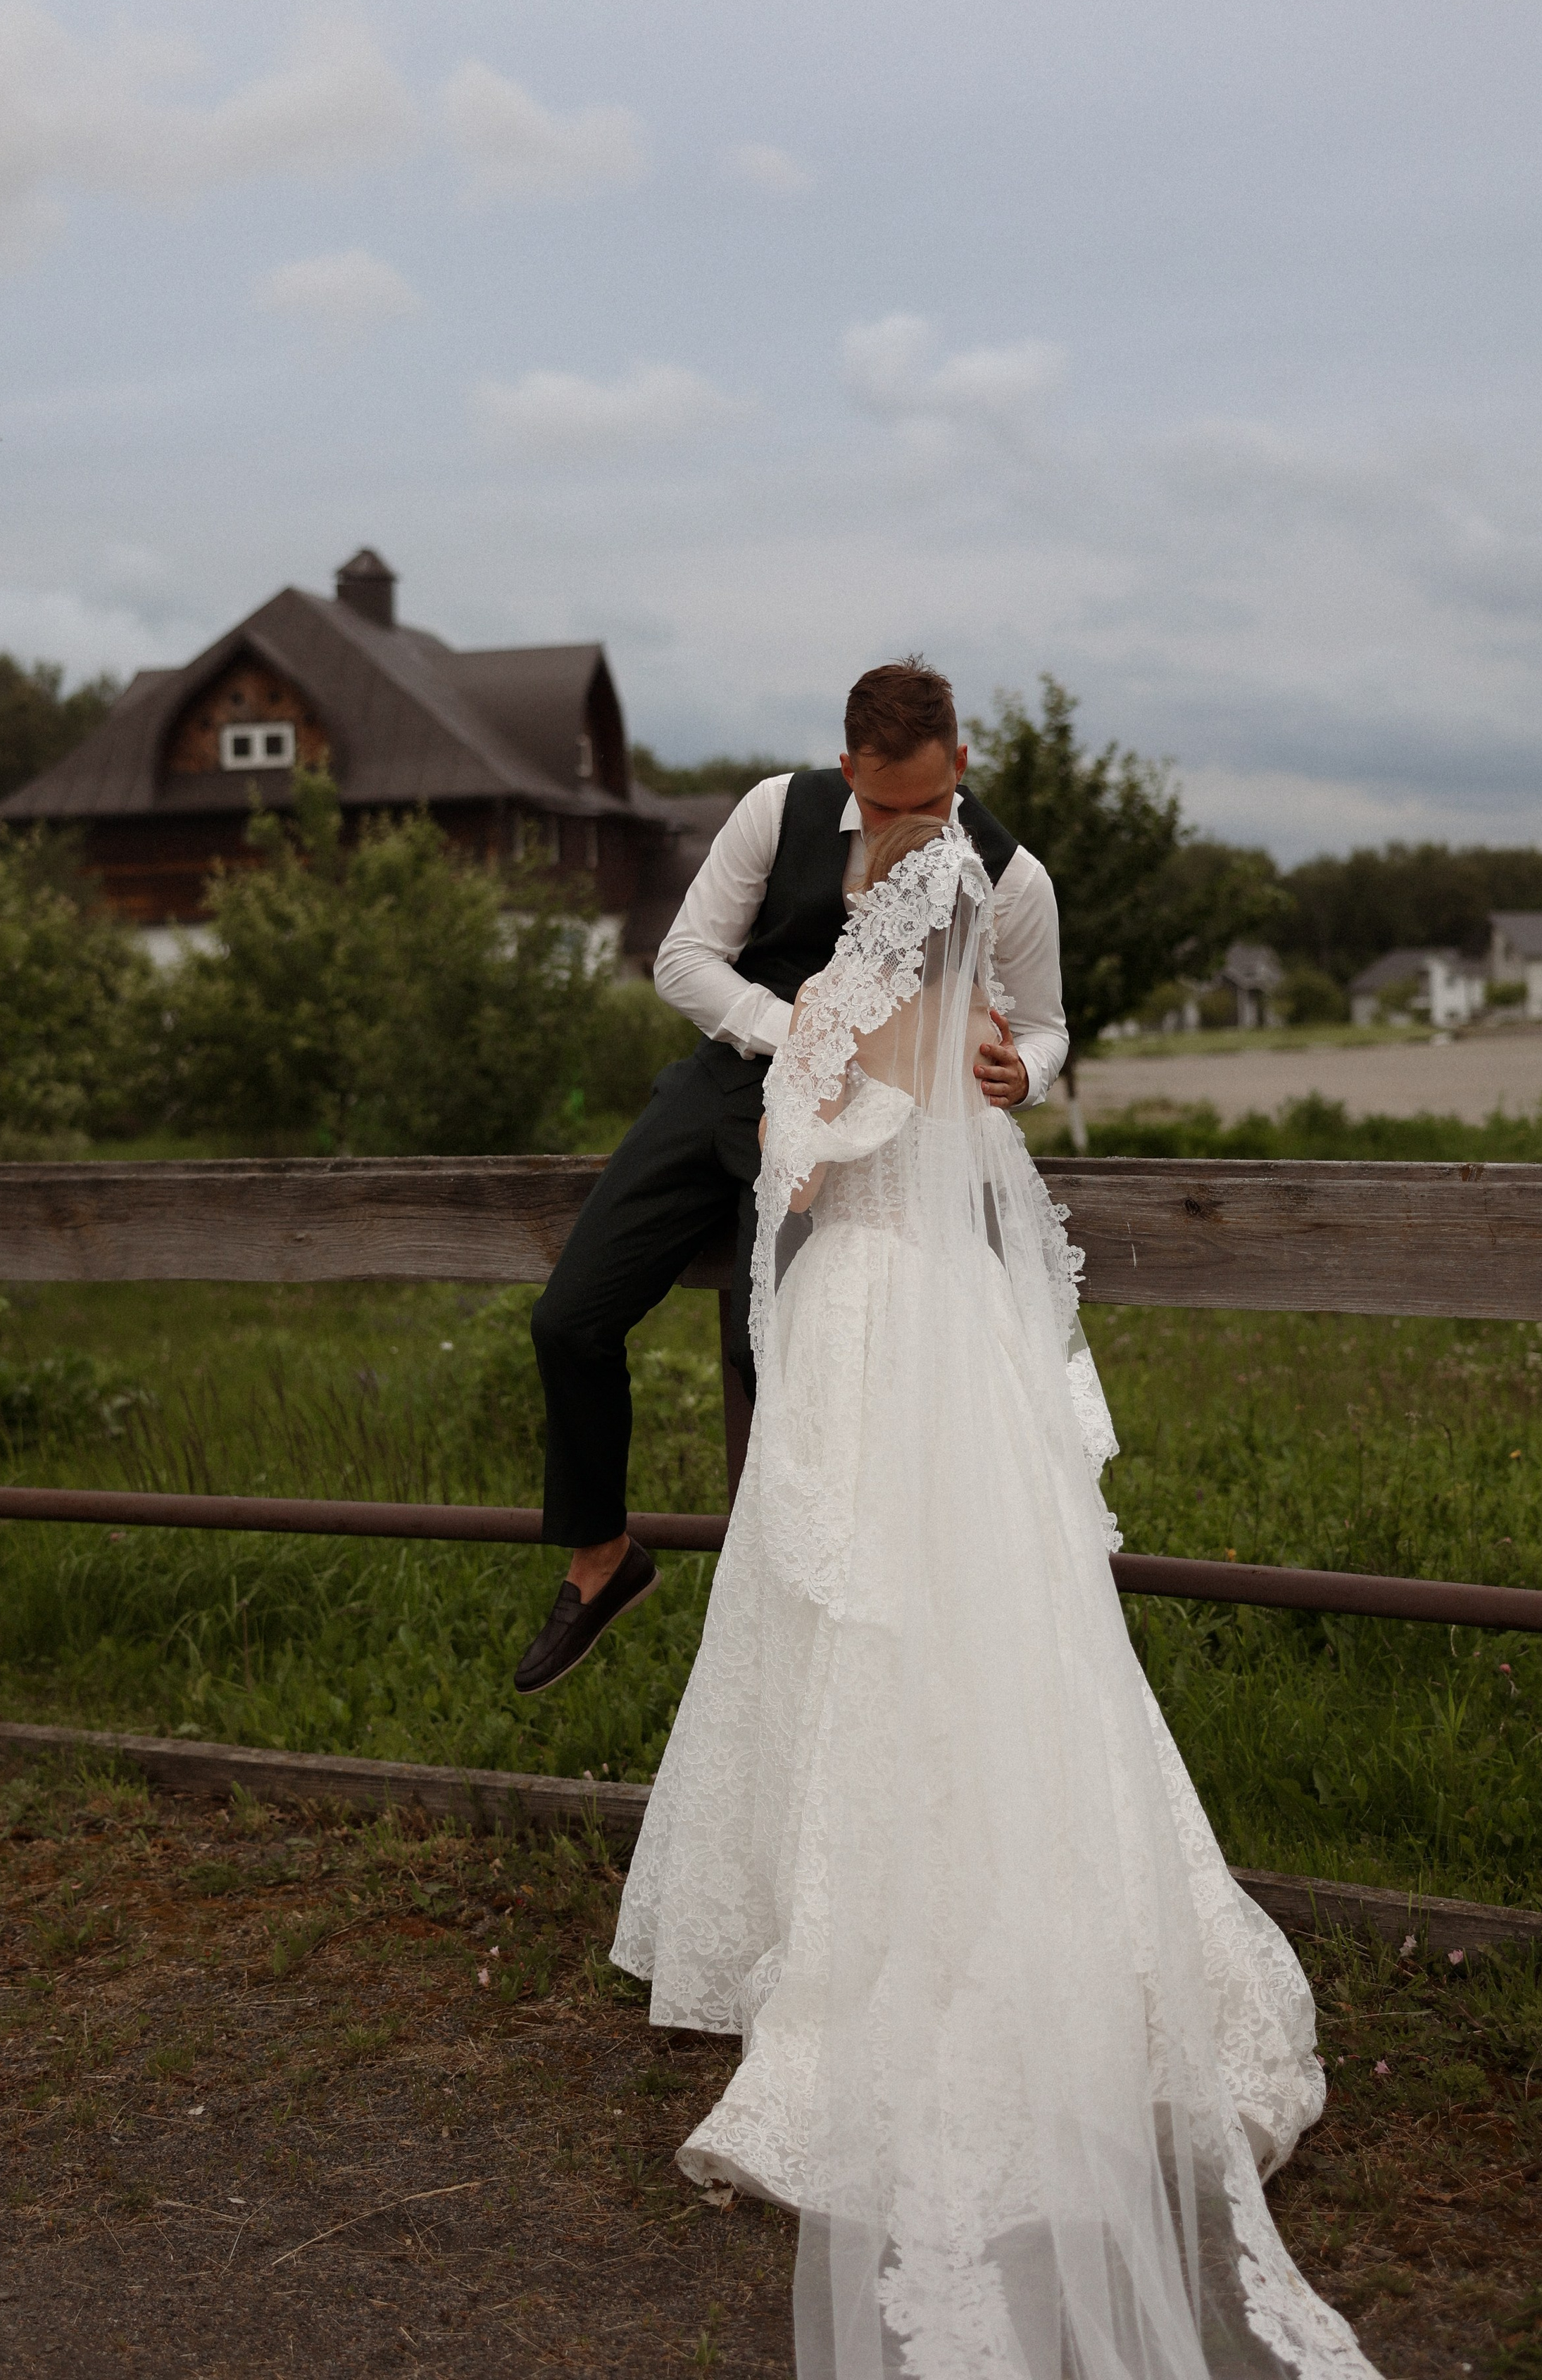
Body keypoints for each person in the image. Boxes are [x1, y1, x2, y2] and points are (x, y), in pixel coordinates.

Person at [611, 813, 1380, 2380]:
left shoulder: (833, 1019)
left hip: (853, 1332)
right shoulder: (969, 1035)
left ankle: (825, 1927)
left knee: (840, 1615)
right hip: (963, 1328)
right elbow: (1007, 1165)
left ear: (866, 916)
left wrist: (809, 1141)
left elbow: (794, 1190)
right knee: (996, 1620)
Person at [513, 657, 1067, 1696]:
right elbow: (684, 959)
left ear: (963, 758)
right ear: (845, 763)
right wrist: (797, 1037)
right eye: (884, 802)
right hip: (731, 1085)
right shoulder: (778, 810)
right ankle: (600, 1560)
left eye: (935, 801)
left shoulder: (1013, 876)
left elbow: (1044, 1026)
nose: (911, 826)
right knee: (568, 1319)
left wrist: (1022, 1071)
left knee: (778, 1367)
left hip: (870, 1136)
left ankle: (812, 1642)